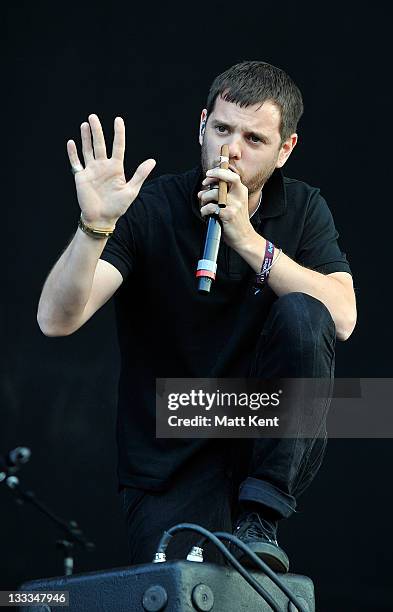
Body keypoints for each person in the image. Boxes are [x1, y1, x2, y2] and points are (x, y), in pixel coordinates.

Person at [37, 61, 357, 573]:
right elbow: (56, 319)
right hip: (171, 444)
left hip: (257, 438)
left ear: (284, 151)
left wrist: (248, 242)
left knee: (305, 311)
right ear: (201, 125)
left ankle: (261, 512)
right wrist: (93, 228)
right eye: (222, 129)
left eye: (254, 138)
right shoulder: (155, 206)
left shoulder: (301, 208)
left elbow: (342, 318)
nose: (231, 150)